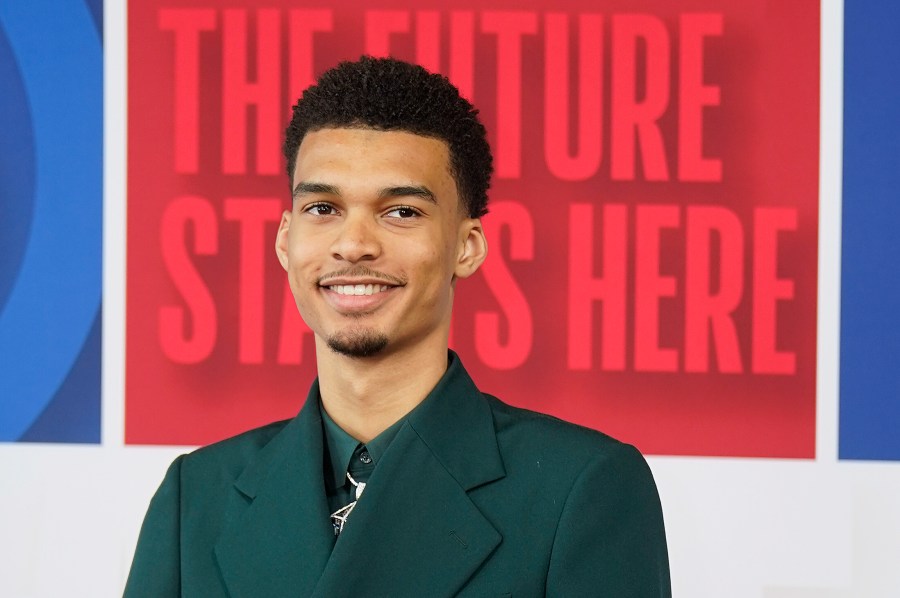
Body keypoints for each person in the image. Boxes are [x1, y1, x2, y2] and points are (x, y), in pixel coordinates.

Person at [124, 56, 670, 597]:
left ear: (466, 246)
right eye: (322, 208)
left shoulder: (581, 488)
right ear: (285, 240)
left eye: (401, 212)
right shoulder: (195, 497)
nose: (354, 243)